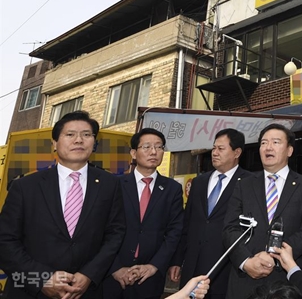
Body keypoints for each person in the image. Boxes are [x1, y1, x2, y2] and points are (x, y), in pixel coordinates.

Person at [0, 111, 126, 299]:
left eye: (86, 134)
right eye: (70, 134)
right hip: (29, 290)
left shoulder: (111, 184)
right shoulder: (25, 186)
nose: (79, 140)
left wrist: (89, 275)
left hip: (85, 291)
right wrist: (42, 279)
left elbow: (115, 234)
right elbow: (5, 240)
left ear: (94, 142)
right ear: (54, 143)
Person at [222, 123, 302, 299]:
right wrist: (246, 261)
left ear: (289, 150)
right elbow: (230, 227)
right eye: (264, 143)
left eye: (275, 142)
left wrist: (274, 256)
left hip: (285, 278)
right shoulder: (243, 184)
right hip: (245, 277)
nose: (268, 147)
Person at [169, 128, 252, 298]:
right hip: (193, 265)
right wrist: (177, 260)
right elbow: (187, 223)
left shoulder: (249, 183)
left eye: (221, 149)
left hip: (226, 268)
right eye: (214, 148)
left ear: (237, 152)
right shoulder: (199, 182)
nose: (214, 153)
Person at [102, 128, 184, 299]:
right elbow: (102, 228)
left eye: (159, 147)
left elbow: (174, 231)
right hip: (112, 274)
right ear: (133, 153)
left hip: (150, 277)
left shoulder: (172, 189)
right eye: (146, 147)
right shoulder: (114, 185)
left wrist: (154, 266)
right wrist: (115, 268)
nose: (153, 152)